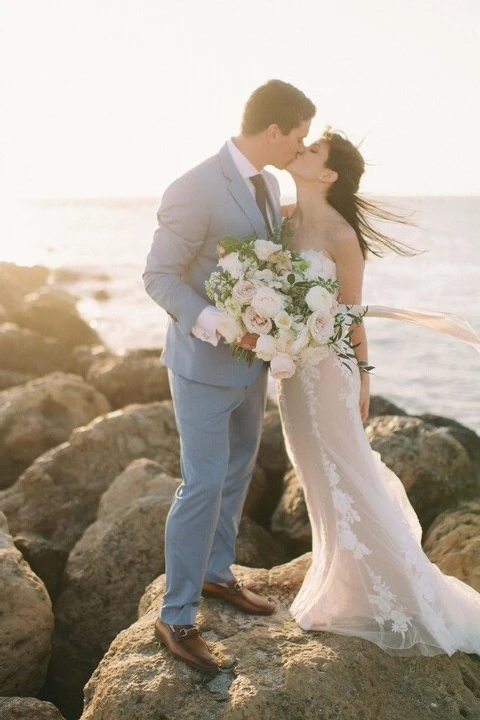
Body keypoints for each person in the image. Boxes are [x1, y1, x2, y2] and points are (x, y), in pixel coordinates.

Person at [278, 128, 480, 656]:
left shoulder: (343, 236)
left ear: (327, 174)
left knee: (347, 474)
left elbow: (352, 315)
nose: (299, 150)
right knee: (315, 476)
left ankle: (401, 594)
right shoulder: (279, 218)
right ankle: (343, 585)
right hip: (291, 373)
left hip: (329, 371)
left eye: (312, 150)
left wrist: (363, 378)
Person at [143, 80, 316, 673]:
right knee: (202, 481)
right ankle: (177, 614)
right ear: (274, 131)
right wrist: (216, 321)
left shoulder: (267, 184)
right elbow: (160, 276)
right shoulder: (193, 187)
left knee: (239, 467)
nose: (301, 146)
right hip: (203, 363)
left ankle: (216, 575)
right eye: (298, 136)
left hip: (253, 363)